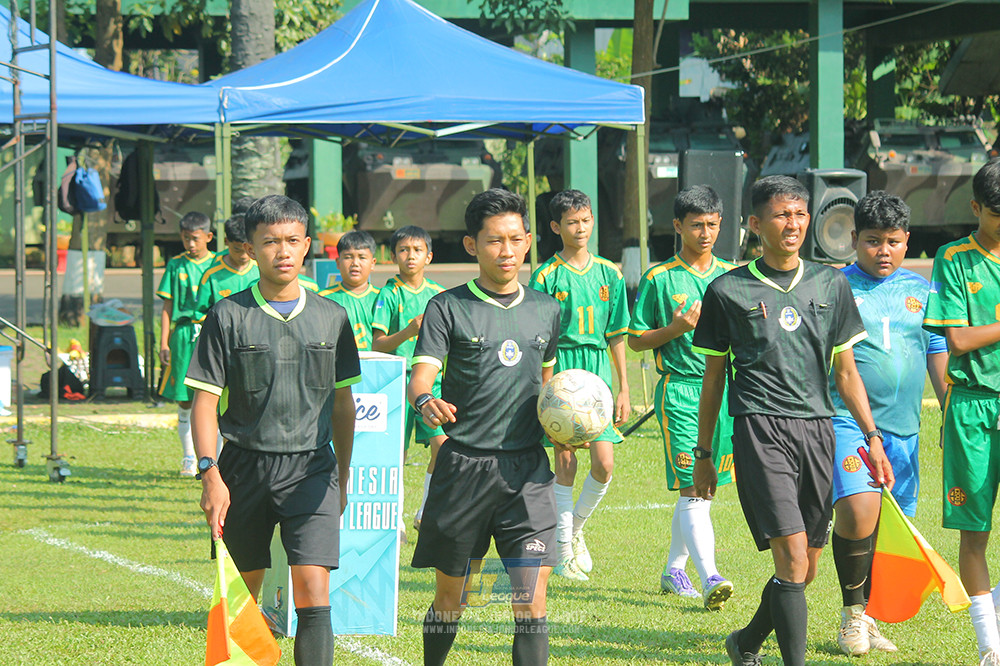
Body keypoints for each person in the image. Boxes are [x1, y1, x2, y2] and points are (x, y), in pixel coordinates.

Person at [691, 176, 893, 666]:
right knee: (793, 559)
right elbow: (714, 380)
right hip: (760, 430)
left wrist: (872, 437)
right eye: (783, 214)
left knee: (806, 569)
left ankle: (745, 642)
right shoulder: (727, 290)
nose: (794, 223)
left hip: (818, 430)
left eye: (801, 213)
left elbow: (846, 373)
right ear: (756, 223)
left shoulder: (830, 284)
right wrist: (702, 455)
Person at [186, 194, 360, 666]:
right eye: (269, 242)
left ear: (307, 247)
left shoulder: (333, 317)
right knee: (243, 597)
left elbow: (343, 405)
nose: (281, 251)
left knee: (313, 593)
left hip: (312, 467)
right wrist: (209, 472)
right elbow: (203, 403)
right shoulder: (227, 315)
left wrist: (342, 476)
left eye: (290, 241)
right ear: (251, 247)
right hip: (242, 467)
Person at [408, 187, 562, 666]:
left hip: (528, 474)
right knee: (451, 601)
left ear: (529, 240)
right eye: (495, 241)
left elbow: (549, 385)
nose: (508, 251)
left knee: (530, 605)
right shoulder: (446, 307)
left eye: (516, 239)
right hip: (464, 468)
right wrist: (426, 401)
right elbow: (421, 378)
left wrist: (566, 426)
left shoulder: (547, 309)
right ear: (472, 245)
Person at [828, 191, 948, 656]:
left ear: (907, 241)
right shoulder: (834, 287)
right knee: (859, 513)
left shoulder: (922, 292)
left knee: (890, 529)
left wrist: (948, 412)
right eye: (873, 241)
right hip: (848, 422)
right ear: (854, 239)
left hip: (906, 429)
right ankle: (852, 617)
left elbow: (937, 352)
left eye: (894, 242)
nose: (884, 251)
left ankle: (870, 616)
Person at [628, 185, 736, 609]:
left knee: (705, 488)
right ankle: (710, 576)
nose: (705, 233)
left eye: (711, 225)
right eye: (696, 225)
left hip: (723, 393)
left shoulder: (730, 275)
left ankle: (675, 568)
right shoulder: (660, 278)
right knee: (695, 487)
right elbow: (636, 341)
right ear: (677, 227)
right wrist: (673, 330)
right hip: (682, 391)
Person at [529, 189, 630, 582]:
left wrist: (623, 388)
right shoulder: (547, 275)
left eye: (586, 220)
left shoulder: (610, 274)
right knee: (566, 462)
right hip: (561, 372)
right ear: (556, 227)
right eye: (572, 222)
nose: (581, 227)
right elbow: (540, 337)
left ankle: (575, 530)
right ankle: (564, 552)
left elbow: (617, 334)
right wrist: (545, 389)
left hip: (597, 376)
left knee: (604, 464)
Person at [924, 157, 1000, 666]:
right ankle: (989, 645)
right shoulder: (953, 259)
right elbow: (958, 339)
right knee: (975, 532)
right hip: (973, 408)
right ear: (975, 208)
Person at [372, 225, 447, 529]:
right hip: (397, 380)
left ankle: (424, 512)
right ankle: (395, 520)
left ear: (429, 256)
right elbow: (378, 344)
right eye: (404, 250)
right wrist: (409, 331)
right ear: (393, 257)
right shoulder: (389, 294)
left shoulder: (439, 295)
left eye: (417, 250)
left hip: (432, 382)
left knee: (443, 448)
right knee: (397, 454)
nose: (410, 256)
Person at [156, 211, 216, 476]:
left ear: (208, 237)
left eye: (195, 239)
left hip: (210, 334)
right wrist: (164, 342)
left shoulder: (218, 264)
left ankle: (215, 458)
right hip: (183, 336)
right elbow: (167, 307)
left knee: (214, 397)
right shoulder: (176, 265)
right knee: (185, 400)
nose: (190, 244)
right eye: (185, 238)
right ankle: (188, 457)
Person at [318, 230, 380, 352]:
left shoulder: (383, 297)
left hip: (376, 367)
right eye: (348, 257)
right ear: (338, 262)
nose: (355, 263)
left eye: (362, 257)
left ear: (373, 263)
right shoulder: (323, 298)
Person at [194, 214, 260, 320]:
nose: (243, 255)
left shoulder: (261, 270)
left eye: (248, 250)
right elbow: (199, 313)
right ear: (226, 242)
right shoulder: (212, 275)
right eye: (237, 250)